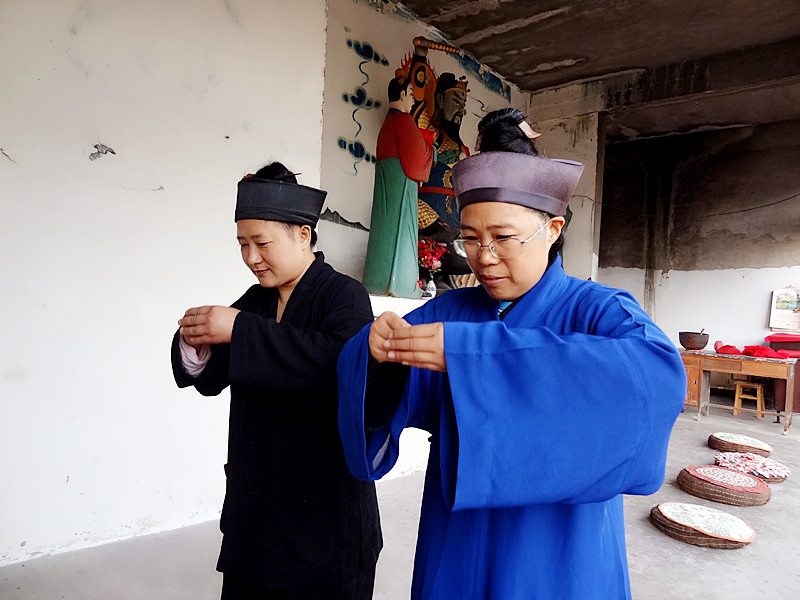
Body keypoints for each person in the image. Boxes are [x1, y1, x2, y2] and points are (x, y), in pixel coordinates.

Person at [337, 112, 687, 599]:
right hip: (457, 542)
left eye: (503, 237)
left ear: (552, 228)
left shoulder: (598, 310)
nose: (484, 256)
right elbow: (375, 387)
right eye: (470, 238)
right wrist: (376, 354)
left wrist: (476, 357)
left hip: (558, 553)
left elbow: (656, 378)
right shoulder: (450, 312)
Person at [171, 162, 382, 599]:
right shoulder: (256, 300)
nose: (251, 257)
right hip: (255, 510)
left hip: (324, 515)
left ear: (303, 234)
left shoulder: (344, 295)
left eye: (262, 243)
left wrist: (239, 329)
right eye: (242, 244)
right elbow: (213, 376)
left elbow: (337, 367)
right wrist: (195, 343)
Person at [363, 75, 435, 298]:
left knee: (384, 230)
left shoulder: (388, 123)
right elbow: (418, 156)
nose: (413, 100)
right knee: (402, 230)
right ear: (402, 94)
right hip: (401, 182)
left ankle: (377, 280)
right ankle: (400, 283)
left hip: (387, 181)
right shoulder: (403, 121)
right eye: (411, 94)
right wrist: (431, 149)